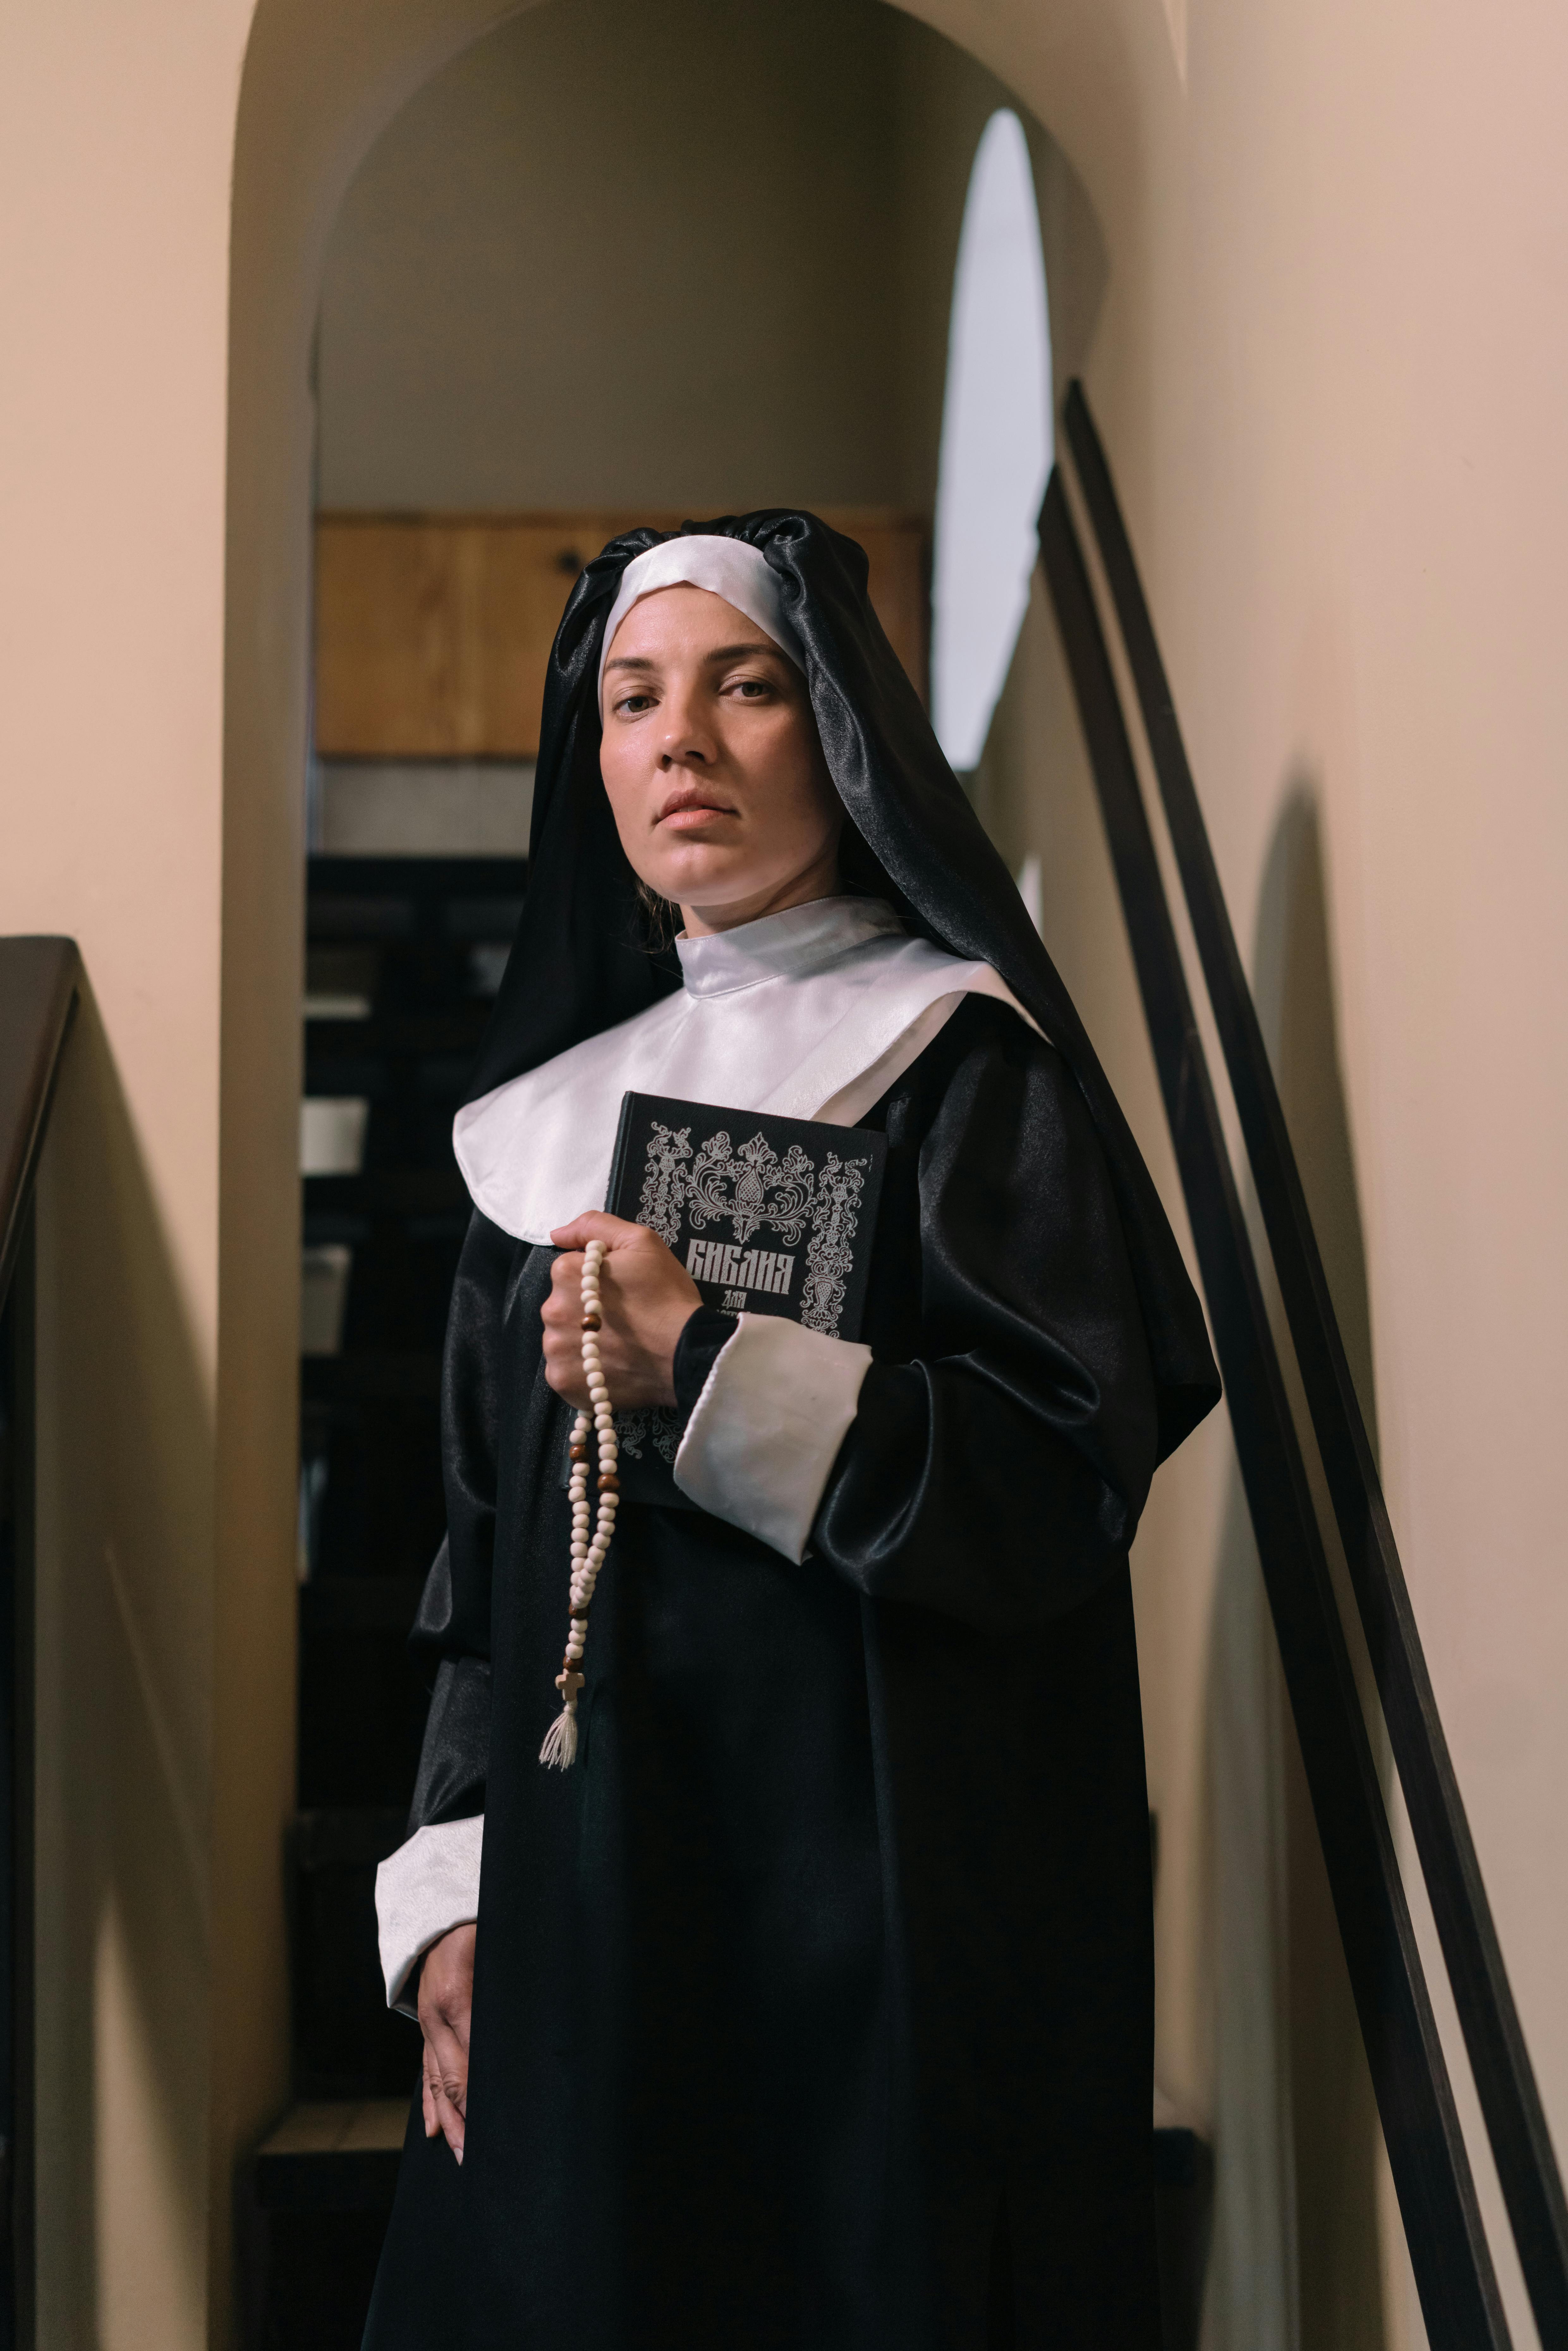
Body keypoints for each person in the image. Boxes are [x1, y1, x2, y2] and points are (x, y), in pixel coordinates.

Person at [362, 515, 1219, 2351]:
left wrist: (715, 1368)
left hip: (866, 1907)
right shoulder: (536, 1138)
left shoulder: (956, 1069)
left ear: (830, 726)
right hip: (586, 1906)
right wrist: (452, 1905)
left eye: (742, 687)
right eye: (631, 699)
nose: (680, 740)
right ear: (589, 759)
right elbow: (474, 1569)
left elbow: (1061, 1472)